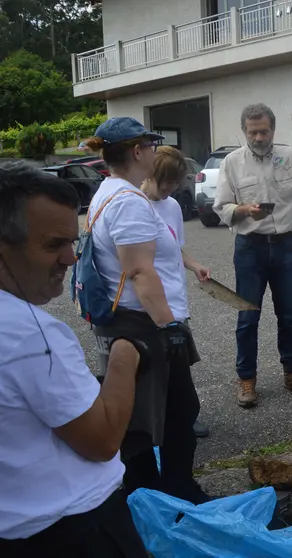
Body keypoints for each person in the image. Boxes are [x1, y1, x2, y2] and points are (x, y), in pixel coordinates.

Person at [0, 163, 147, 556]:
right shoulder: (29, 334)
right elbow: (101, 440)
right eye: (53, 245)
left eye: (72, 241)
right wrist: (123, 354)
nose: (69, 258)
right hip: (72, 530)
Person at [83, 117, 209, 505]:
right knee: (174, 411)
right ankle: (169, 490)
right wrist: (168, 325)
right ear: (137, 151)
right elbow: (139, 270)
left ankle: (150, 490)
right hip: (141, 324)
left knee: (145, 411)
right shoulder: (128, 203)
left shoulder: (107, 192)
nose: (156, 151)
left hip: (124, 321)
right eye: (152, 145)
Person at [214, 104, 292, 405]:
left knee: (288, 315)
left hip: (284, 245)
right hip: (249, 248)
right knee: (247, 316)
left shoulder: (289, 155)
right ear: (244, 131)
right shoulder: (232, 162)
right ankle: (247, 379)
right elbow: (221, 207)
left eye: (264, 131)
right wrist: (242, 210)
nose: (259, 137)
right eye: (253, 132)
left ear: (273, 130)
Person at [140, 146, 213, 438]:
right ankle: (161, 420)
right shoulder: (134, 205)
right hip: (150, 299)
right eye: (166, 181)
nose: (171, 188)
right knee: (155, 364)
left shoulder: (171, 206)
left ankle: (185, 415)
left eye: (176, 182)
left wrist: (195, 266)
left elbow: (175, 247)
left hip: (175, 296)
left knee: (179, 359)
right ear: (150, 174)